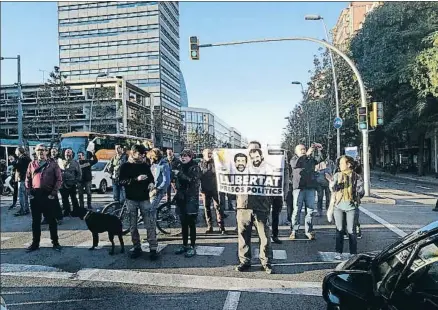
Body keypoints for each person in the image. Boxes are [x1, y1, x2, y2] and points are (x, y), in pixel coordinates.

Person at [235, 141, 273, 274]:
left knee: (264, 237)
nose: (252, 154)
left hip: (261, 206)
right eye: (250, 151)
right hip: (243, 205)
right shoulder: (240, 166)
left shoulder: (267, 167)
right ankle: (245, 261)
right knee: (243, 235)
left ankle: (266, 262)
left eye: (255, 151)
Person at [119, 144, 156, 259]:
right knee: (133, 225)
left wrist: (151, 183)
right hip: (131, 199)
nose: (142, 156)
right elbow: (121, 181)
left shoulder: (145, 165)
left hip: (144, 198)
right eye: (140, 154)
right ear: (133, 153)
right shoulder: (125, 166)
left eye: (143, 154)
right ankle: (137, 247)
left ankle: (153, 248)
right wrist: (136, 179)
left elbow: (151, 178)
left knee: (149, 224)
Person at [25, 143, 62, 252]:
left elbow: (59, 179)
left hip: (49, 195)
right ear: (35, 152)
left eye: (43, 150)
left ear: (47, 151)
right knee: (35, 221)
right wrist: (29, 192)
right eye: (38, 150)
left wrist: (53, 193)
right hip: (36, 195)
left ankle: (55, 242)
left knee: (52, 221)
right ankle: (35, 244)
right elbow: (27, 179)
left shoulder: (53, 164)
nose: (41, 152)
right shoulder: (32, 164)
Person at [327, 155, 364, 260]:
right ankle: (338, 252)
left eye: (342, 163)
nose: (340, 165)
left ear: (349, 164)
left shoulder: (356, 177)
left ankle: (353, 253)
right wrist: (332, 184)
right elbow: (332, 189)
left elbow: (361, 192)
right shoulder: (337, 175)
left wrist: (358, 190)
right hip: (338, 206)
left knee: (351, 231)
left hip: (351, 206)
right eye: (339, 163)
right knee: (339, 230)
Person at [173, 149, 201, 258]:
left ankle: (192, 246)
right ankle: (184, 244)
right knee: (183, 222)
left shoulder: (195, 167)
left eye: (185, 156)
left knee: (191, 223)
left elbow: (194, 182)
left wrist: (179, 174)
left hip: (191, 198)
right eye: (181, 156)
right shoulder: (179, 166)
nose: (183, 158)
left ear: (190, 157)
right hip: (181, 197)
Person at [290, 144, 318, 241]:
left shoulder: (310, 159)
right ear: (296, 151)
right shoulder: (294, 159)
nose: (303, 151)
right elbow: (296, 165)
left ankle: (308, 231)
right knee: (296, 210)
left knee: (310, 210)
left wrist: (318, 150)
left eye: (304, 149)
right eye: (301, 149)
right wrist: (305, 155)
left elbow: (319, 161)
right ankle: (294, 230)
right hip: (298, 188)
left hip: (310, 187)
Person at [199, 148, 226, 234]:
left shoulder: (216, 163)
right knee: (207, 208)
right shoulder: (200, 164)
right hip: (205, 190)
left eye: (210, 153)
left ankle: (221, 227)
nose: (209, 155)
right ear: (204, 155)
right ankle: (209, 226)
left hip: (216, 189)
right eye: (207, 153)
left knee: (218, 207)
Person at [59, 148, 82, 217]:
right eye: (66, 153)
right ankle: (66, 211)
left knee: (73, 198)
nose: (68, 155)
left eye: (69, 153)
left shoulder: (75, 163)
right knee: (64, 199)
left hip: (72, 184)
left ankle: (76, 211)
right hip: (63, 184)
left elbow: (79, 174)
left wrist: (76, 181)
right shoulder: (60, 162)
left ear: (72, 154)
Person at [148, 148, 171, 213]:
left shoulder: (164, 165)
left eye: (151, 158)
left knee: (151, 209)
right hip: (152, 189)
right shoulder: (153, 165)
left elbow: (166, 181)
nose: (150, 159)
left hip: (159, 190)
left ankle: (152, 222)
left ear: (155, 157)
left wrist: (157, 189)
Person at [10, 147, 32, 217]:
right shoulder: (26, 158)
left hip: (22, 178)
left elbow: (18, 167)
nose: (15, 152)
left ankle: (23, 210)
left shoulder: (22, 158)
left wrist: (12, 161)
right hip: (25, 178)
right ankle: (26, 209)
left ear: (19, 151)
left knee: (22, 195)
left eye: (16, 151)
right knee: (25, 195)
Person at [315, 152, 334, 217]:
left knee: (328, 197)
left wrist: (332, 178)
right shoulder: (317, 162)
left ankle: (328, 211)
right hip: (319, 182)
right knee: (320, 197)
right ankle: (319, 211)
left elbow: (333, 170)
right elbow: (315, 171)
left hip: (328, 182)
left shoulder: (330, 162)